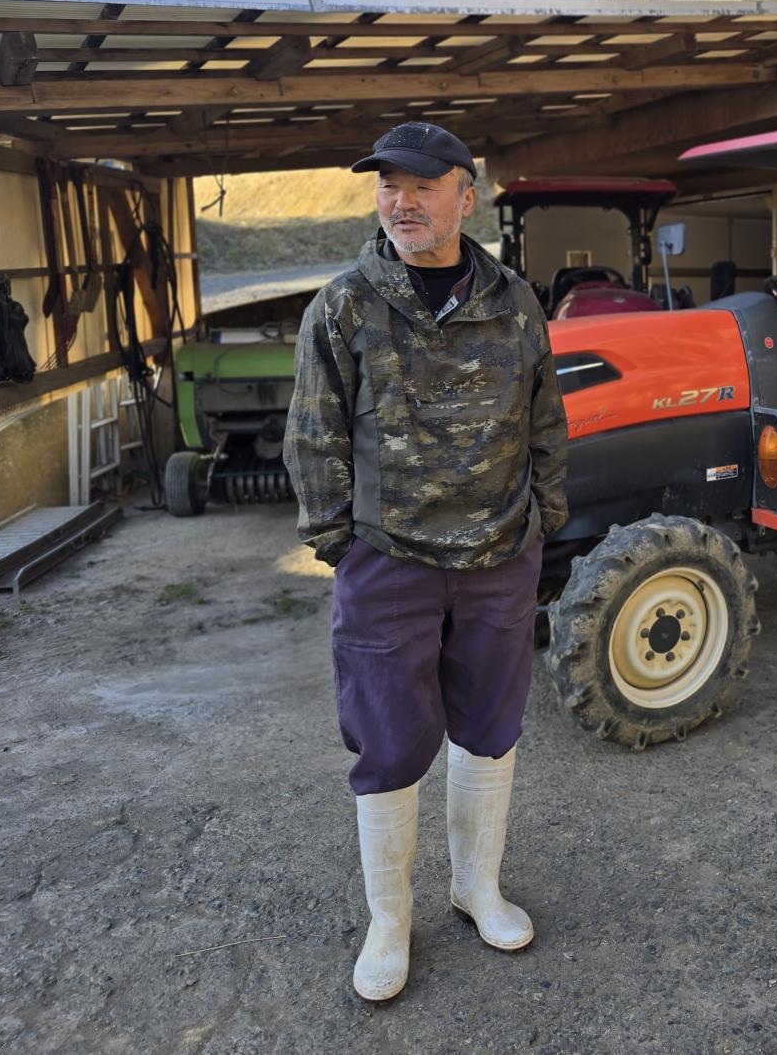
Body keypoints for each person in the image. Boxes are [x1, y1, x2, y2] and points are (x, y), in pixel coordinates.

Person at [283, 121, 568, 1001]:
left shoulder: (513, 299)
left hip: (496, 554)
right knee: (388, 739)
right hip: (389, 558)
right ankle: (390, 919)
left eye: (421, 185)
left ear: (464, 195)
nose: (401, 201)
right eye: (386, 186)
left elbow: (544, 418)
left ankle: (475, 886)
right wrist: (341, 543)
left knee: (489, 725)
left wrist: (541, 524)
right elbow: (314, 432)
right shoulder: (345, 304)